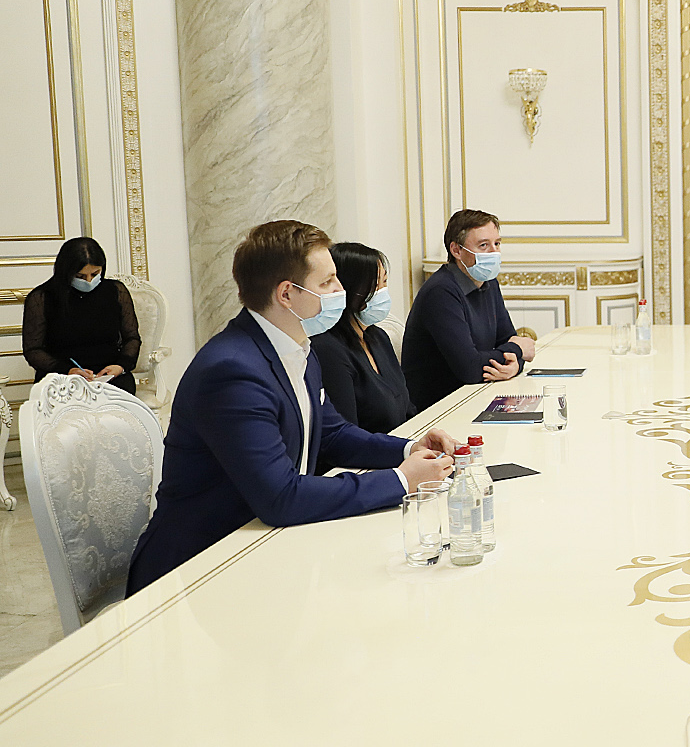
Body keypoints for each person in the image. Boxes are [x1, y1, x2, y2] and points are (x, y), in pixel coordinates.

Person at [126, 221, 457, 594]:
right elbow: (280, 498)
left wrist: (408, 449)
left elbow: (331, 433)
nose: (341, 290)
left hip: (266, 547)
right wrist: (401, 480)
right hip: (200, 568)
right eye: (328, 282)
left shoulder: (299, 348)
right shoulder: (232, 370)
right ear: (287, 293)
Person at [402, 208, 533, 411]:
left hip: (477, 395)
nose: (494, 252)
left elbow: (508, 340)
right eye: (484, 245)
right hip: (439, 408)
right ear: (456, 250)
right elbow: (470, 367)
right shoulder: (441, 292)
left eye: (497, 244)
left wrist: (515, 365)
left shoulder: (489, 283)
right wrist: (517, 351)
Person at [313, 241, 415, 435]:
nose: (383, 291)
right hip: (370, 451)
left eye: (385, 282)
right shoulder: (328, 349)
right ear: (350, 288)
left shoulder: (378, 337)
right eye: (376, 285)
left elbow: (407, 407)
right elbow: (346, 432)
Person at [22, 236, 141, 396]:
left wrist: (121, 366)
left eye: (95, 274)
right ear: (66, 272)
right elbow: (33, 350)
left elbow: (132, 338)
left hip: (111, 377)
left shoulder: (116, 290)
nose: (89, 281)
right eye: (80, 276)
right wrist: (67, 370)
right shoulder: (41, 298)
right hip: (61, 379)